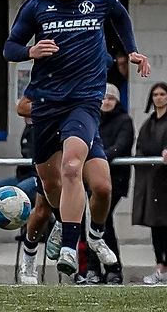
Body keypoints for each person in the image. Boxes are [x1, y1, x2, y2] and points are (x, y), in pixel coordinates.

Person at [3, 0, 150, 275]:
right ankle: (54, 233)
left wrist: (131, 49)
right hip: (46, 105)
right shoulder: (36, 6)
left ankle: (75, 244)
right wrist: (29, 51)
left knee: (81, 173)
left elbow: (121, 17)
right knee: (50, 193)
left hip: (83, 101)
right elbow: (10, 47)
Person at [14, 97, 122, 285]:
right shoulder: (50, 85)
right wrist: (55, 108)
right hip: (52, 138)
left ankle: (94, 236)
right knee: (42, 210)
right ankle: (29, 257)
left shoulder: (89, 85)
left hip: (81, 132)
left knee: (102, 187)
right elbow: (22, 107)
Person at [131, 82, 167, 284]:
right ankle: (159, 264)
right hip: (148, 178)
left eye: (162, 94)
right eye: (155, 94)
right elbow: (141, 146)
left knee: (163, 223)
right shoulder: (148, 123)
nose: (158, 98)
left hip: (163, 179)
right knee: (153, 224)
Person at [92, 83, 134, 284]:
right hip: (92, 178)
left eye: (110, 98)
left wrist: (98, 158)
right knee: (94, 223)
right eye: (103, 98)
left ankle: (113, 268)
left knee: (102, 222)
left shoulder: (124, 120)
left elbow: (121, 146)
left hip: (114, 178)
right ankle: (94, 268)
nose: (106, 102)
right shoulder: (93, 119)